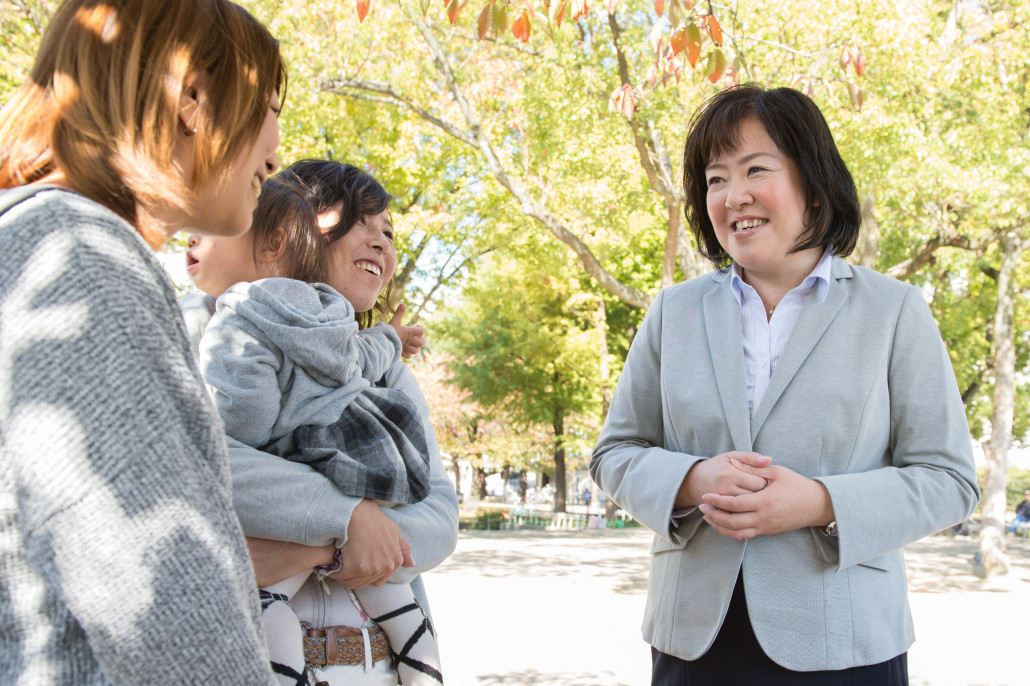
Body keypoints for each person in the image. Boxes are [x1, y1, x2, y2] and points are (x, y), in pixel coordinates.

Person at [590, 84, 979, 685]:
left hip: (845, 638)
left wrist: (820, 503)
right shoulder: (674, 311)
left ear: (815, 182)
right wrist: (694, 480)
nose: (732, 195)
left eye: (756, 170)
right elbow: (615, 454)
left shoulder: (894, 310)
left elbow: (948, 478)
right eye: (715, 179)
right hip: (694, 638)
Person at [0, 0, 286, 683]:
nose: (277, 150)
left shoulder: (35, 242)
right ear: (193, 96)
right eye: (270, 103)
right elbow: (155, 585)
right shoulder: (78, 259)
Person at [183, 160, 459, 685]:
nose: (381, 244)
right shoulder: (205, 329)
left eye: (389, 233)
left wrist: (327, 541)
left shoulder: (385, 370)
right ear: (302, 228)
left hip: (377, 665)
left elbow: (440, 516)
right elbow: (203, 461)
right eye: (362, 223)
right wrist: (348, 515)